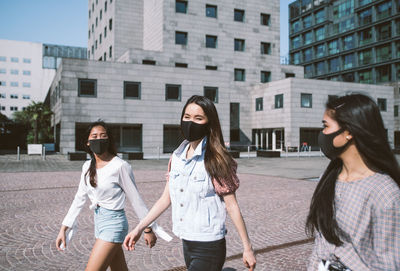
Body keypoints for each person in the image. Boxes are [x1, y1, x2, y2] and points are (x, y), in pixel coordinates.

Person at [123, 95, 257, 271]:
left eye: (198, 118)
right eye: (187, 117)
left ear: (209, 123)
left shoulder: (216, 159)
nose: (190, 122)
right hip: (187, 241)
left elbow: (232, 206)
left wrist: (247, 248)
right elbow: (165, 198)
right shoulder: (176, 157)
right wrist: (140, 228)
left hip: (210, 244)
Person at [56, 121, 170, 271]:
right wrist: (63, 228)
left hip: (114, 224)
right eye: (94, 136)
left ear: (108, 140)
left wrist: (148, 229)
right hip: (99, 223)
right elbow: (79, 198)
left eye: (103, 136)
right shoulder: (86, 166)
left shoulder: (120, 166)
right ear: (88, 142)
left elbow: (136, 201)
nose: (99, 139)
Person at [306, 94, 400, 270]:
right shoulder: (327, 177)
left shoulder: (385, 193)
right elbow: (320, 244)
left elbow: (388, 264)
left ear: (348, 132)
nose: (322, 134)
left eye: (325, 126)